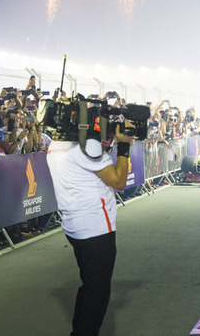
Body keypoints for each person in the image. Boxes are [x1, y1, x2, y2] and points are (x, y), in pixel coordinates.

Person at [46, 119, 134, 336]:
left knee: (91, 287)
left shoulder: (54, 147)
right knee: (96, 293)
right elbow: (119, 180)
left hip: (75, 227)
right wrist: (123, 145)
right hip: (96, 229)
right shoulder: (87, 149)